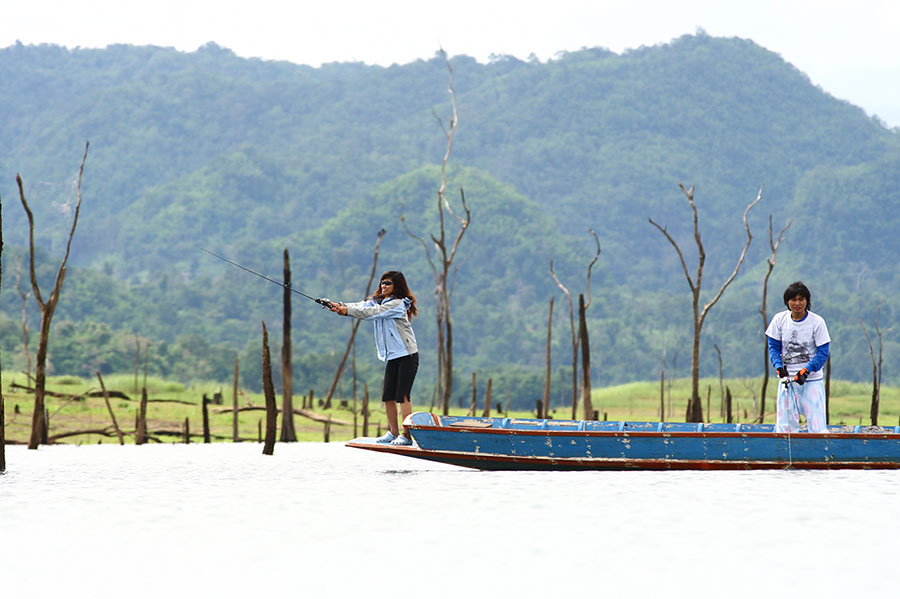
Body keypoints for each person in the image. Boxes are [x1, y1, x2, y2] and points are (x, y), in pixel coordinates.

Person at [326, 271, 419, 446]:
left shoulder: (397, 304)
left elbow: (372, 313)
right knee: (388, 396)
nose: (383, 286)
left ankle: (406, 435)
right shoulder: (378, 301)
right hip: (393, 356)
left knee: (403, 396)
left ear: (396, 286)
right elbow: (362, 305)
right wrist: (338, 305)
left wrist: (346, 312)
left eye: (388, 283)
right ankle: (393, 432)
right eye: (382, 283)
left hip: (407, 356)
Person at [765, 281, 831, 433]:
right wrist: (778, 367)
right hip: (787, 381)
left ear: (807, 301)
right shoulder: (779, 320)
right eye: (793, 299)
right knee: (785, 426)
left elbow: (823, 353)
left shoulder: (817, 322)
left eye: (801, 299)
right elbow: (773, 347)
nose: (797, 303)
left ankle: (818, 455)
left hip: (811, 380)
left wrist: (807, 370)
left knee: (817, 426)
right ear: (787, 302)